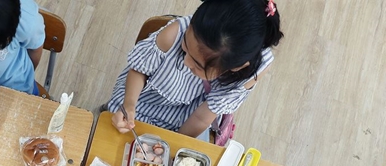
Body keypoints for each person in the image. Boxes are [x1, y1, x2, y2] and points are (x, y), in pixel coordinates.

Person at [109, 0, 283, 140]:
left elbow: (202, 116)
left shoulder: (253, 70)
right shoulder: (175, 32)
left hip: (186, 118)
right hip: (143, 100)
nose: (185, 62)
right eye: (185, 47)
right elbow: (139, 70)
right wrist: (129, 105)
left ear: (235, 67)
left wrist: (172, 145)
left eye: (198, 65)